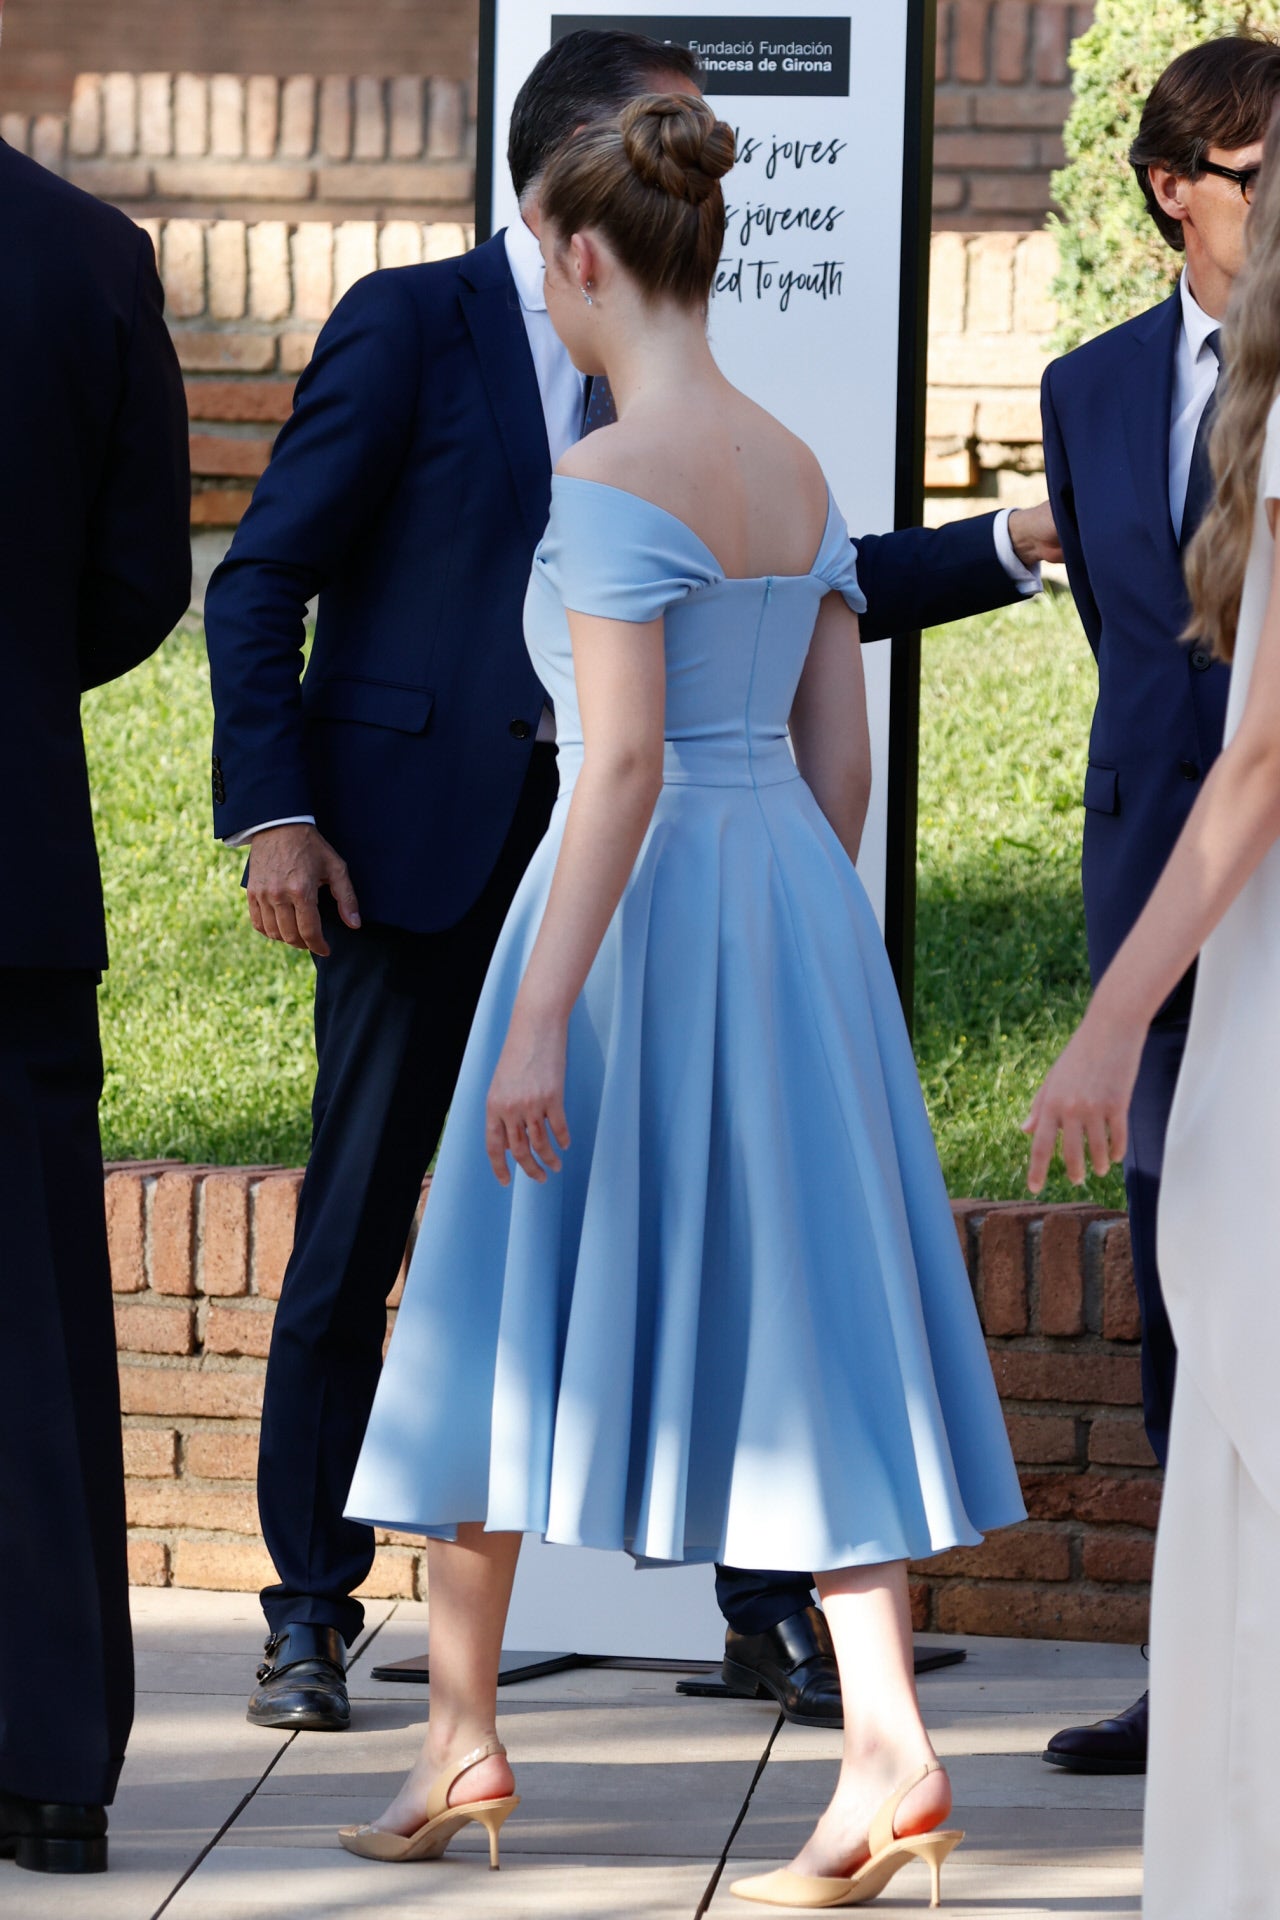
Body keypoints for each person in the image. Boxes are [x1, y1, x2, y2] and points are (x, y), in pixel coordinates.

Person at [206, 27, 1055, 1739]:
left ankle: (759, 1613)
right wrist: (275, 812)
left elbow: (782, 597)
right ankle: (311, 1608)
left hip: (644, 859)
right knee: (370, 1224)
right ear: (567, 187)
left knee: (714, 1212)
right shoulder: (409, 323)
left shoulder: (688, 402)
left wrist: (997, 547)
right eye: (666, 131)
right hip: (422, 856)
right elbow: (262, 575)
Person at [1025, 101, 1280, 1920]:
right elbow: (1133, 653)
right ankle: (1196, 1664)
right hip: (1162, 873)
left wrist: (1109, 1019)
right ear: (1174, 190)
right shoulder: (1087, 387)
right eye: (1252, 173)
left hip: (1247, 904)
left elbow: (1256, 748)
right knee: (1184, 1276)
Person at [0, 136, 190, 1871]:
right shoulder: (86, 250)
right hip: (15, 867)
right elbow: (142, 582)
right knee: (38, 1331)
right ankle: (51, 1766)